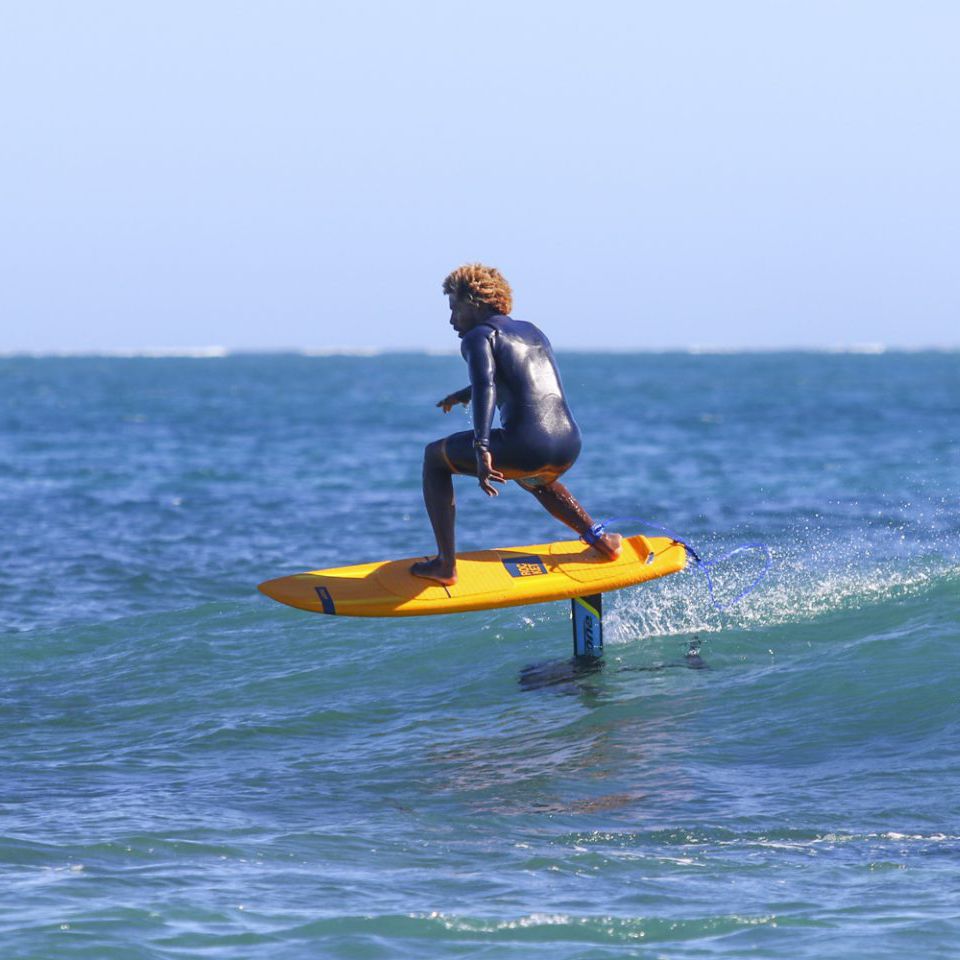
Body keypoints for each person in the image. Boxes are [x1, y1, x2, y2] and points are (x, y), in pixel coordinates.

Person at [411, 263, 622, 585]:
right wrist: (460, 395)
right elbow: (518, 379)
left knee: (434, 458)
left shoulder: (478, 337)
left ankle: (445, 565)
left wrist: (482, 448)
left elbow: (487, 387)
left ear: (474, 303)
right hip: (567, 442)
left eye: (455, 309)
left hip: (526, 445)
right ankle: (600, 540)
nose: (452, 320)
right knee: (536, 477)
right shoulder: (532, 331)